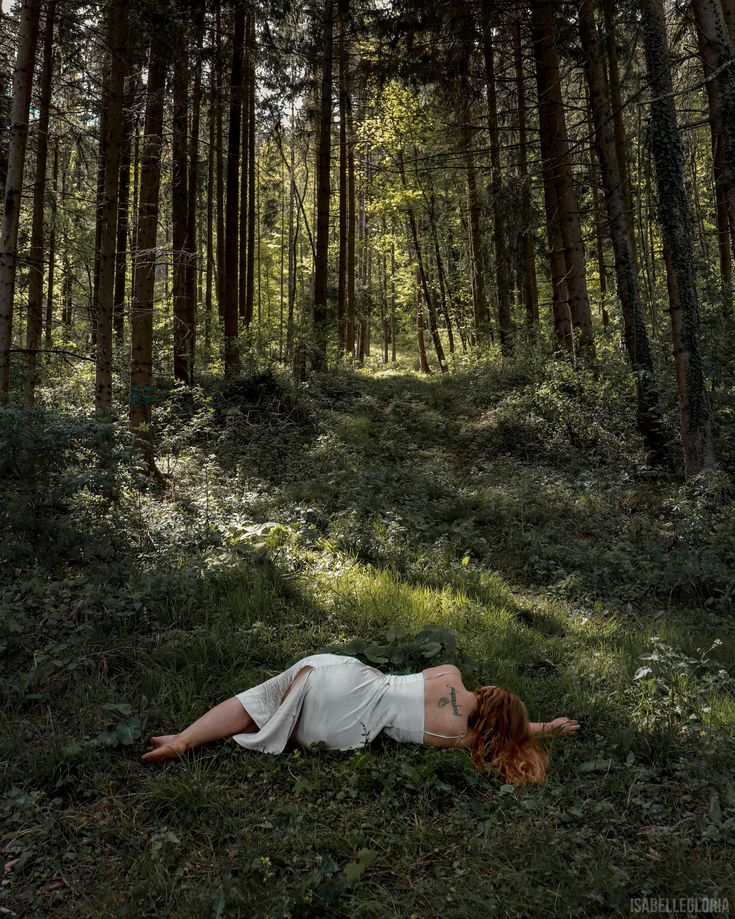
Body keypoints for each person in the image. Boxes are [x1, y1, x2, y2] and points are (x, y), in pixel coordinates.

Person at [140, 653, 580, 784]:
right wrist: (543, 728)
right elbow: (501, 735)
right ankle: (188, 737)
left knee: (264, 695)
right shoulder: (453, 737)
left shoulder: (451, 673)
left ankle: (185, 739)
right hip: (346, 730)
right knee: (277, 711)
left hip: (347, 680)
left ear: (488, 692)